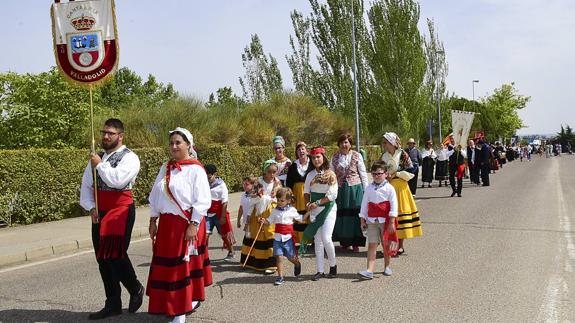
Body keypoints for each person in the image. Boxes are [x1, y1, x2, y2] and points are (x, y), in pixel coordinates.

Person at [80, 118, 144, 320]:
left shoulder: (130, 157)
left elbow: (117, 181)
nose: (106, 136)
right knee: (102, 258)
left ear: (120, 136)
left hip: (120, 209)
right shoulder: (96, 157)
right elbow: (86, 186)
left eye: (111, 133)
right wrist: (91, 207)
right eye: (104, 132)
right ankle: (113, 302)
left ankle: (135, 288)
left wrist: (100, 166)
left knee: (115, 254)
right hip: (100, 211)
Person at [147, 127, 212, 323]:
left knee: (180, 266)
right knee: (166, 266)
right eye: (171, 143)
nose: (174, 146)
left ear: (188, 145)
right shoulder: (165, 168)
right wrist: (153, 220)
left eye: (178, 143)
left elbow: (203, 200)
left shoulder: (196, 169)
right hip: (167, 224)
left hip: (186, 224)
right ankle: (169, 304)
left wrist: (193, 224)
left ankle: (180, 311)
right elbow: (155, 195)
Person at [381, 132, 422, 255]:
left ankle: (400, 245)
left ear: (392, 143)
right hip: (388, 187)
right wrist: (384, 176)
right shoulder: (384, 156)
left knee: (400, 215)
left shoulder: (402, 154)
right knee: (389, 216)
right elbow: (379, 169)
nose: (384, 145)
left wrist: (397, 173)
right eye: (384, 143)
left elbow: (412, 169)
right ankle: (390, 244)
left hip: (401, 186)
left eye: (386, 142)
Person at [300, 146, 339, 281]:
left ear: (323, 157)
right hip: (314, 209)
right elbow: (306, 192)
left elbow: (333, 195)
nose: (316, 159)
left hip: (328, 208)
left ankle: (333, 266)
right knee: (317, 240)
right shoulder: (310, 175)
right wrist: (307, 205)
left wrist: (317, 203)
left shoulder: (331, 174)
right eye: (313, 157)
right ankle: (320, 271)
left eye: (318, 157)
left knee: (326, 238)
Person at [358, 161, 398, 279]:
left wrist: (391, 222)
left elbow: (394, 205)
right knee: (372, 244)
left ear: (385, 174)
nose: (376, 176)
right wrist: (362, 219)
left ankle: (387, 266)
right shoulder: (369, 188)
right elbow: (364, 204)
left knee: (386, 244)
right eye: (374, 174)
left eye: (379, 174)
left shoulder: (389, 188)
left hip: (385, 221)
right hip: (372, 220)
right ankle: (369, 270)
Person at [258, 187, 307, 285]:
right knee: (279, 257)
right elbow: (270, 221)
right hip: (277, 238)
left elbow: (301, 219)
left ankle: (297, 263)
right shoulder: (275, 211)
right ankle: (280, 277)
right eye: (278, 200)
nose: (279, 202)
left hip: (288, 238)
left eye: (282, 200)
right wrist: (264, 221)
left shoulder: (292, 210)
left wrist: (309, 212)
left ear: (288, 200)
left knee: (291, 257)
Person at [240, 160, 281, 273]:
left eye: (274, 171)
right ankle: (253, 262)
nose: (272, 174)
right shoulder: (259, 182)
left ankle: (271, 264)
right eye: (269, 172)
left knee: (269, 235)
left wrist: (276, 193)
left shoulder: (277, 182)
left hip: (270, 211)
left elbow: (280, 196)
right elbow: (253, 197)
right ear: (265, 171)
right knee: (255, 235)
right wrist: (261, 197)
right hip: (257, 210)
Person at [331, 133, 368, 252]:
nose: (344, 145)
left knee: (355, 215)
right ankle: (345, 242)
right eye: (342, 142)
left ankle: (356, 243)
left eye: (346, 142)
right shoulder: (335, 157)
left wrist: (366, 191)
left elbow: (363, 174)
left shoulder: (357, 156)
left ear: (350, 144)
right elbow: (331, 174)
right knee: (342, 216)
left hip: (355, 189)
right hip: (341, 189)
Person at [205, 164, 235, 262]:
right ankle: (204, 256)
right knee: (205, 235)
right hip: (207, 214)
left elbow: (225, 201)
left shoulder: (221, 185)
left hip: (219, 214)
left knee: (224, 235)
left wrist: (222, 217)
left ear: (215, 174)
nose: (208, 179)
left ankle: (231, 251)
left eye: (209, 177)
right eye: (206, 176)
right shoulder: (204, 184)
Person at [285, 141, 312, 244]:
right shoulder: (293, 166)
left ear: (307, 151)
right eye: (299, 149)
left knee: (309, 215)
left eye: (303, 149)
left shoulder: (312, 164)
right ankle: (300, 240)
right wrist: (290, 196)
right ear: (296, 152)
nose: (301, 151)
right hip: (297, 195)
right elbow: (289, 182)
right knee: (299, 216)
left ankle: (310, 239)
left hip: (309, 193)